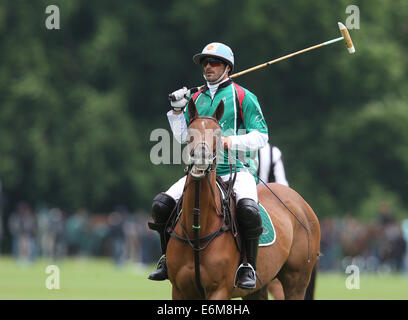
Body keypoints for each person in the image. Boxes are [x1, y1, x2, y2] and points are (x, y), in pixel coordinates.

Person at [148, 42, 268, 289]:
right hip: (199, 170)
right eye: (205, 62)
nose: (208, 66)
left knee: (248, 210)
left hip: (236, 170)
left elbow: (261, 136)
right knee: (161, 205)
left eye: (213, 62)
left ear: (227, 67)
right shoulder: (196, 97)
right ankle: (165, 259)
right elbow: (183, 137)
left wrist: (227, 141)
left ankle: (248, 266)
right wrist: (176, 111)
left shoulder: (243, 96)